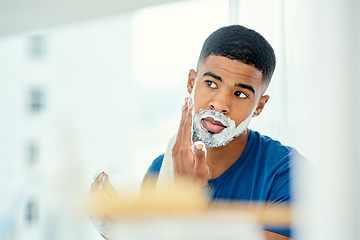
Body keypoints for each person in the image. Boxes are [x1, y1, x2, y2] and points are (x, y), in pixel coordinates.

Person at [91, 25, 302, 240]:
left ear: (259, 106)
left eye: (240, 93)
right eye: (211, 83)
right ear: (192, 82)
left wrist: (193, 204)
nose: (219, 104)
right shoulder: (160, 170)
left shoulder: (290, 173)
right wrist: (118, 232)